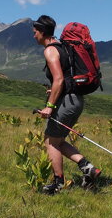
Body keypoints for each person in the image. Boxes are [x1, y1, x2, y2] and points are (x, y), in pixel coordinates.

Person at [33, 15, 101, 194]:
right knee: (59, 140)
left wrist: (50, 106)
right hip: (75, 100)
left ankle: (58, 184)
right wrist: (56, 92)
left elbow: (59, 79)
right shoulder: (62, 46)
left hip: (67, 102)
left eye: (35, 33)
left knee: (50, 141)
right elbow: (66, 78)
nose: (34, 36)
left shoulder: (50, 50)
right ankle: (88, 169)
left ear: (42, 32)